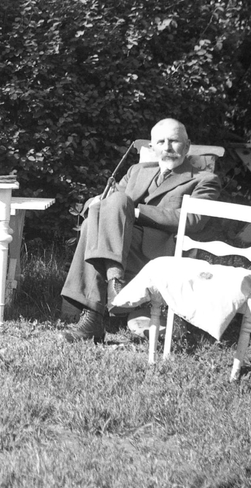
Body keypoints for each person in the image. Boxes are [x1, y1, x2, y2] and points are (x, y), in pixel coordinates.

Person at [59, 118, 221, 344]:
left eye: (174, 141)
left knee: (103, 217)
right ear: (153, 147)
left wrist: (135, 212)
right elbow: (109, 205)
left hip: (161, 247)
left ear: (187, 145)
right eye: (161, 141)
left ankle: (93, 317)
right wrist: (95, 203)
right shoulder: (137, 171)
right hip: (121, 241)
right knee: (96, 217)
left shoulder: (203, 179)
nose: (167, 147)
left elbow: (195, 220)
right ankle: (114, 281)